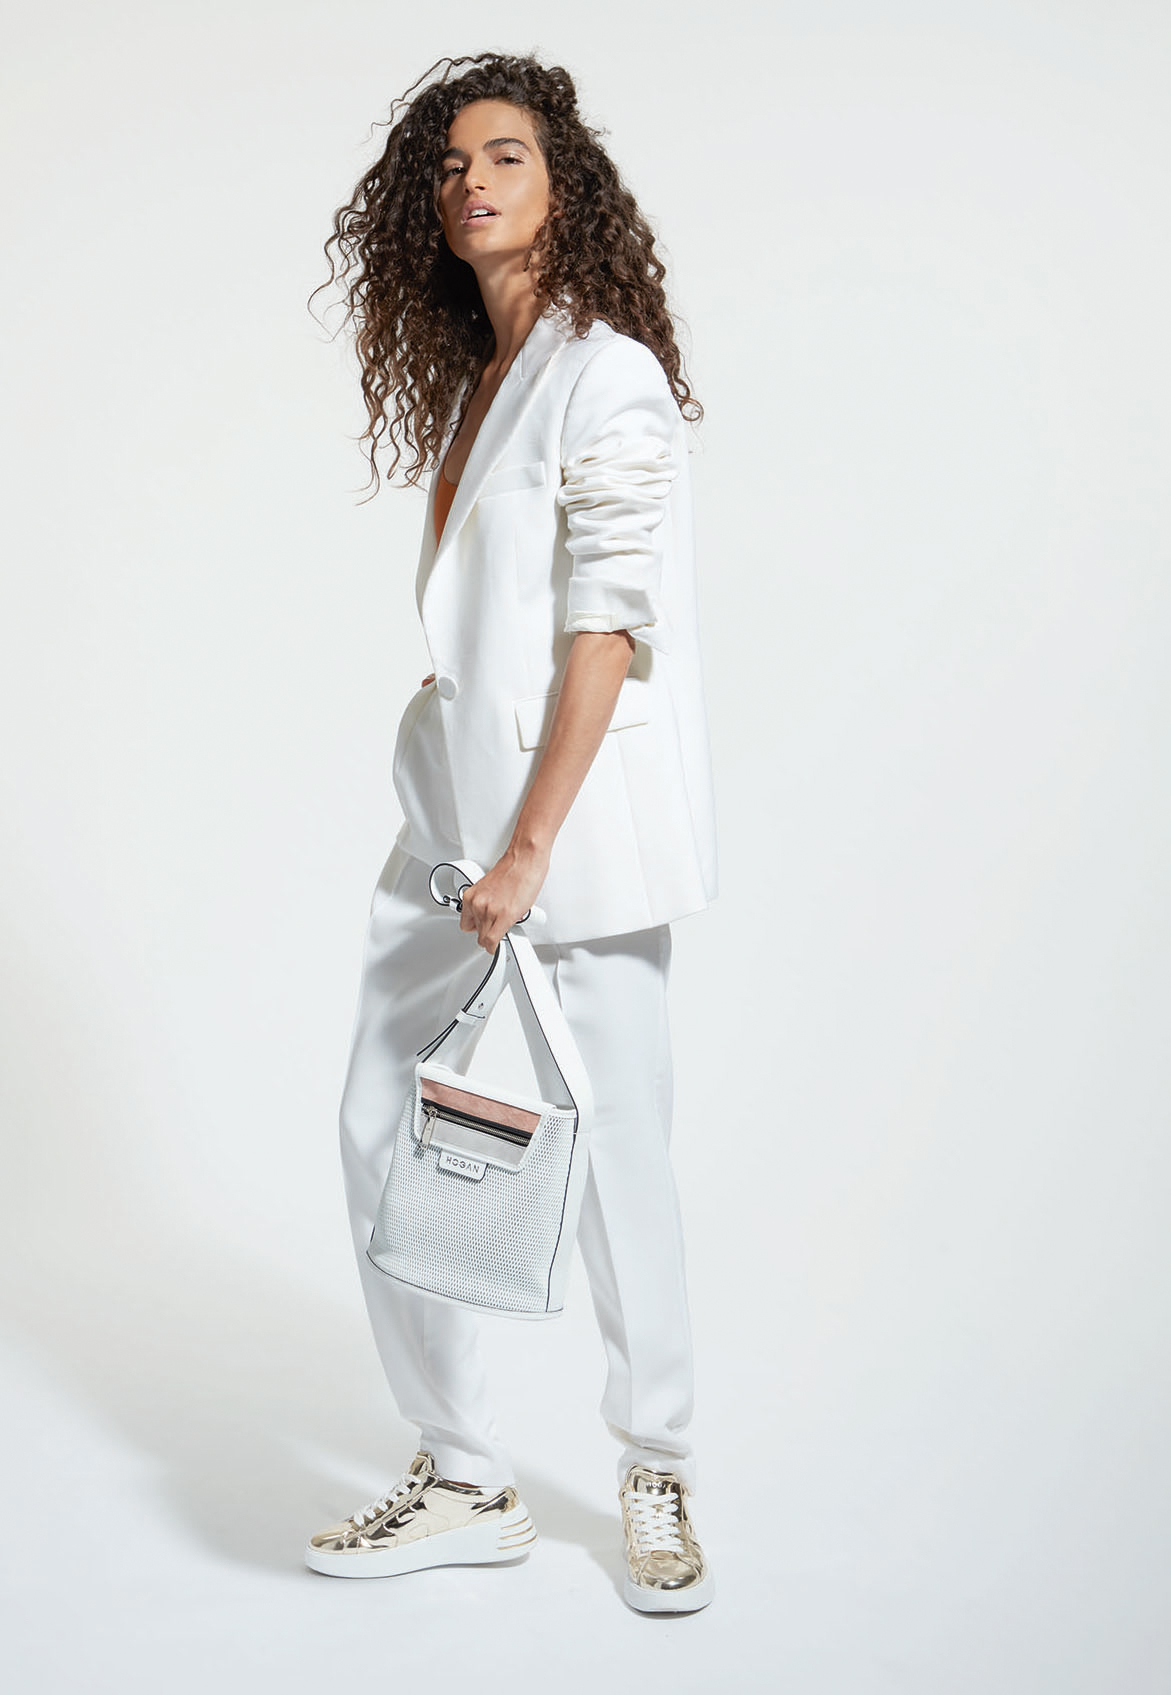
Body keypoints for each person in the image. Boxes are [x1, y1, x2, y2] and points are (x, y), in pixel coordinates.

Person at [306, 52, 718, 1614]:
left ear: (566, 187)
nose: (470, 182)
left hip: (571, 848)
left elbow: (608, 628)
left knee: (616, 1161)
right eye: (448, 165)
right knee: (379, 1122)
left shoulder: (606, 373)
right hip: (448, 838)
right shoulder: (486, 377)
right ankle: (464, 1472)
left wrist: (534, 847)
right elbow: (500, 615)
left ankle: (657, 1462)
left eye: (505, 157)